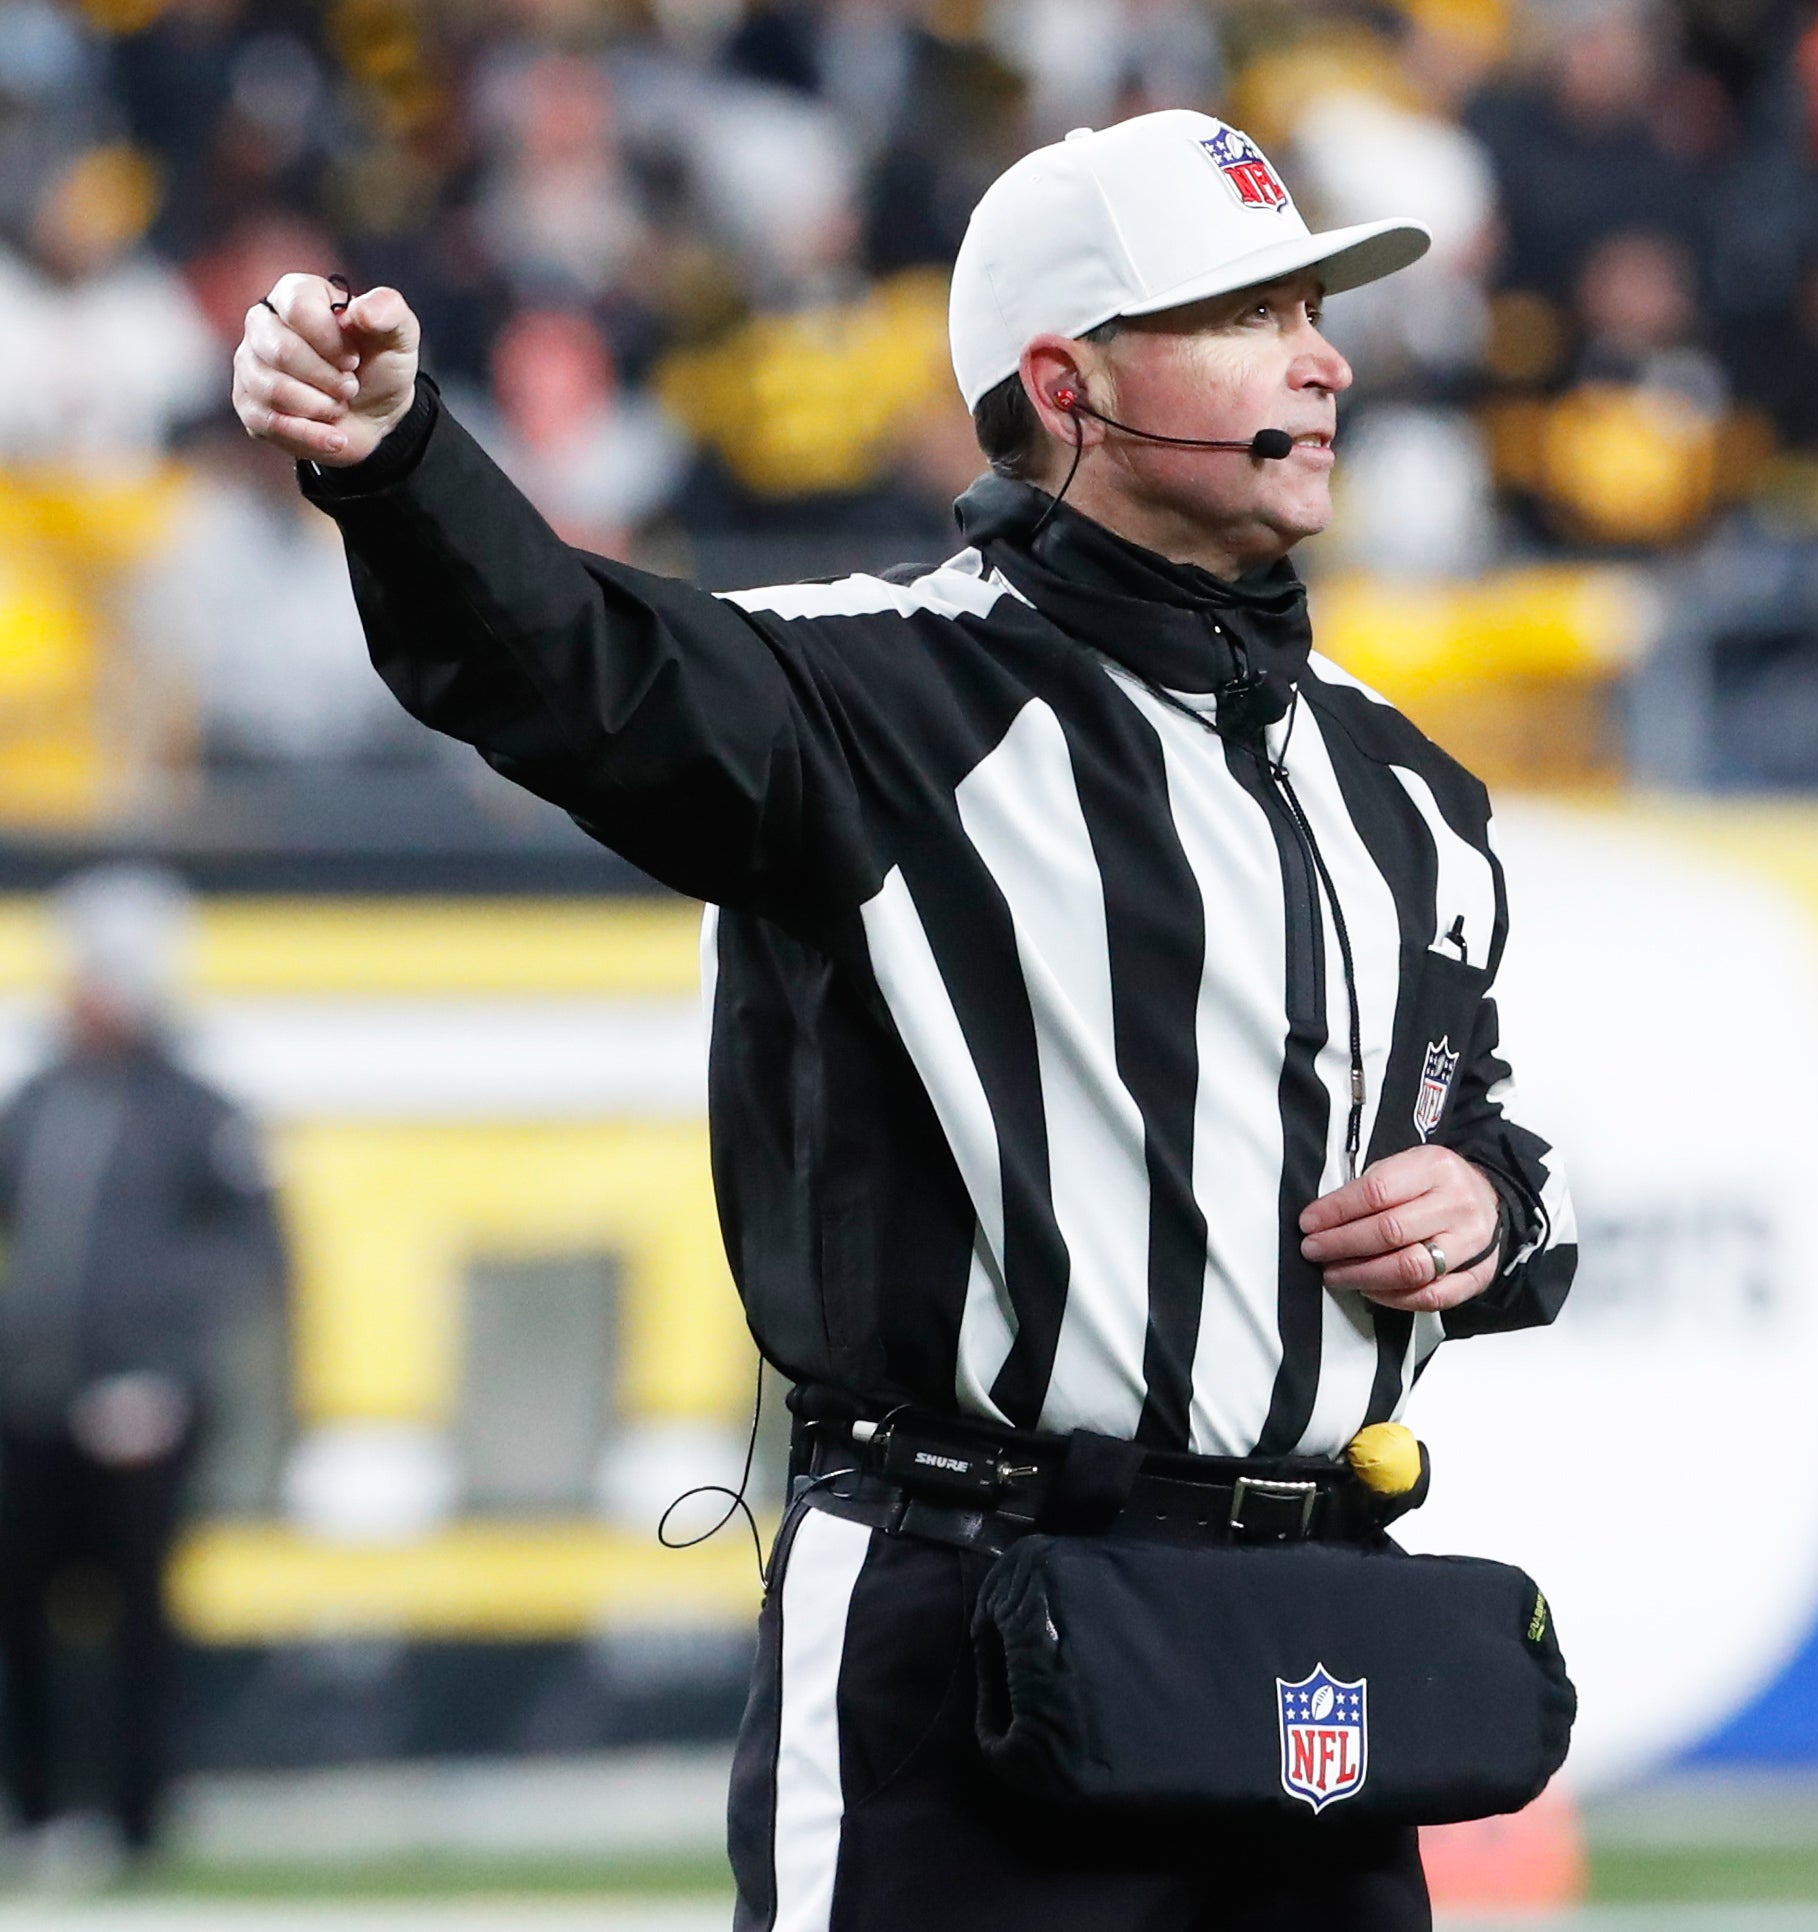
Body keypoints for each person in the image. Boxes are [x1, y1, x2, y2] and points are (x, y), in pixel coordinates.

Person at [231, 108, 1578, 1929]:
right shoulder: (883, 698)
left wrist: (1483, 1210)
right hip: (964, 1617)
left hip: (1305, 1633)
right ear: (1068, 383)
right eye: (1247, 313)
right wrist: (396, 462)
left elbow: (1470, 1119)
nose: (1321, 358)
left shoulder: (1405, 792)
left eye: (1313, 308)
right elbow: (569, 658)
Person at [0, 865, 286, 1867]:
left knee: (135, 1619)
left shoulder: (196, 1109)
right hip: (32, 1400)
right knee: (19, 1611)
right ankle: (33, 1813)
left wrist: (163, 1370)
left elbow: (250, 1256)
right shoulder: (37, 1097)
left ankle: (136, 1819)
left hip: (146, 1405)